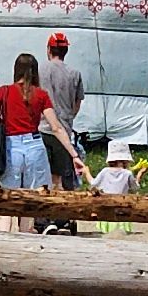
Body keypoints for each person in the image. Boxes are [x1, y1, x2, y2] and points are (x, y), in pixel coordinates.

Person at [0, 52, 84, 232]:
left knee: (7, 200)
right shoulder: (41, 95)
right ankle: (26, 240)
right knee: (29, 201)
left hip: (12, 148)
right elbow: (56, 127)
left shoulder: (3, 91)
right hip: (35, 147)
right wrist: (74, 155)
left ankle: (4, 240)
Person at [39, 31, 85, 190]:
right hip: (64, 131)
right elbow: (77, 103)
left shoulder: (40, 70)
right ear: (66, 51)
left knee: (42, 176)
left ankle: (42, 212)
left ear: (49, 49)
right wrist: (68, 117)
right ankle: (57, 213)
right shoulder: (75, 74)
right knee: (59, 178)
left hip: (42, 129)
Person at [91, 141, 141, 234]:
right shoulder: (127, 173)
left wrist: (86, 173)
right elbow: (135, 188)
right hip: (122, 206)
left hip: (106, 205)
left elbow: (93, 184)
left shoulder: (105, 171)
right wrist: (140, 175)